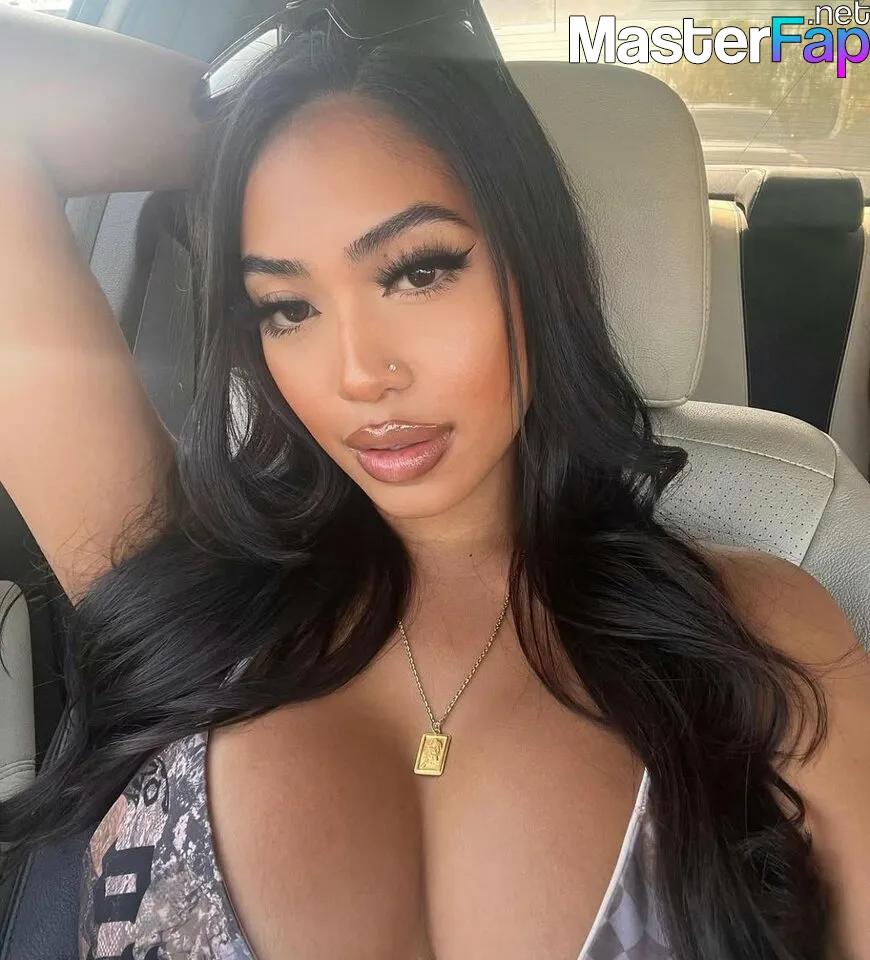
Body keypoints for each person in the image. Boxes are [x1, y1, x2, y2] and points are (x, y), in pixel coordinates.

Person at [0, 6, 868, 960]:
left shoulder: (760, 637)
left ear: (534, 262)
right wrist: (271, 108)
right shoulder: (181, 578)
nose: (359, 373)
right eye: (287, 307)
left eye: (417, 272)